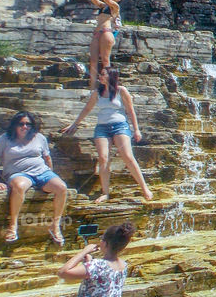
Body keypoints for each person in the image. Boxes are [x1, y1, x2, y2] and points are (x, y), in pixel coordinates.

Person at [61, 67, 152, 202]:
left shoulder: (121, 91)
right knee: (103, 158)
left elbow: (131, 111)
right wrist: (74, 124)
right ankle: (105, 193)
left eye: (103, 74)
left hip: (120, 126)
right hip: (102, 128)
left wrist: (136, 129)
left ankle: (144, 188)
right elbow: (87, 109)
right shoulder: (97, 93)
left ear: (111, 76)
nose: (100, 76)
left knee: (127, 156)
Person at [0, 111, 68, 244]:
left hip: (42, 172)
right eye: (21, 124)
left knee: (62, 187)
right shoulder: (5, 138)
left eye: (28, 124)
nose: (25, 127)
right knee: (19, 186)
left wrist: (50, 175)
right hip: (19, 173)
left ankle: (55, 226)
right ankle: (13, 226)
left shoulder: (39, 137)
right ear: (15, 125)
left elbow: (47, 158)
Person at [85, 0, 123, 90]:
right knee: (94, 60)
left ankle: (108, 87)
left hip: (107, 32)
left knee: (106, 60)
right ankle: (92, 88)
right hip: (97, 32)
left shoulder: (115, 7)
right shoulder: (103, 6)